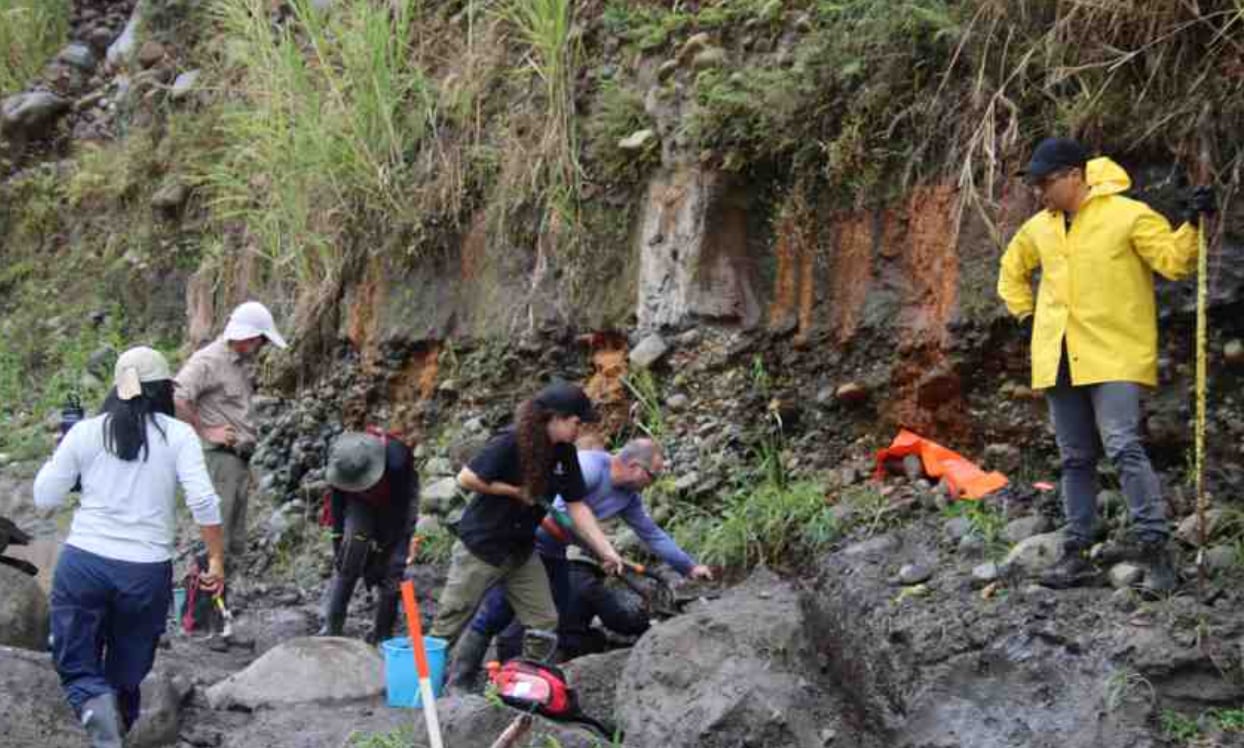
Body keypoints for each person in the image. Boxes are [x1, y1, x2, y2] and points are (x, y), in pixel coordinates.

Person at [997, 137, 1216, 593]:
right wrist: (1025, 315)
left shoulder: (1127, 214)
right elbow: (1010, 271)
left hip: (1113, 352)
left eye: (1045, 181)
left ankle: (1156, 552)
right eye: (1035, 183)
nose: (1039, 191)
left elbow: (1173, 261)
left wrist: (1193, 223)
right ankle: (1078, 551)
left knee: (1122, 446)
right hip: (1056, 355)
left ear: (1076, 176)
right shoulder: (1039, 228)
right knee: (1075, 457)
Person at [34, 347, 224, 747]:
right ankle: (115, 722)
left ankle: (95, 712)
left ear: (117, 387)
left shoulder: (86, 432)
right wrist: (216, 559)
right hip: (145, 572)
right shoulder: (178, 436)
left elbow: (44, 496)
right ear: (164, 390)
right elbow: (204, 501)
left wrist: (64, 453)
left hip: (83, 564)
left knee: (78, 664)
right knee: (128, 671)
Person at [430, 381, 622, 691]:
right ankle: (424, 692)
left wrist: (606, 550)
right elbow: (467, 478)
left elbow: (576, 506)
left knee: (544, 619)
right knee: (449, 623)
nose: (579, 429)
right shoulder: (511, 442)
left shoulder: (565, 454)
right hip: (482, 547)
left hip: (521, 551)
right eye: (576, 422)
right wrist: (515, 491)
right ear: (555, 418)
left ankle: (525, 683)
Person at [471, 439, 713, 661]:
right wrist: (600, 549)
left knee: (559, 614)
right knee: (500, 607)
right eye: (652, 477)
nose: (652, 484)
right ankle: (467, 675)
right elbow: (555, 516)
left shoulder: (628, 498)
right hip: (524, 543)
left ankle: (533, 670)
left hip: (555, 552)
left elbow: (652, 534)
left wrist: (689, 567)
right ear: (635, 467)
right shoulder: (589, 467)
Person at [174, 301, 287, 564]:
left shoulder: (238, 364)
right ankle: (203, 604)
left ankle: (221, 602)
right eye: (262, 341)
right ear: (249, 338)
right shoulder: (208, 361)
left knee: (234, 544)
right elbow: (176, 397)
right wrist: (206, 431)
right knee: (216, 542)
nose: (262, 348)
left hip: (235, 460)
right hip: (218, 460)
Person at [320, 429, 420, 644]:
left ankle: (382, 636)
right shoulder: (341, 460)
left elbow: (402, 511)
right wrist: (338, 543)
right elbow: (337, 507)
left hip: (395, 503)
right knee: (348, 558)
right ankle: (332, 627)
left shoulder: (397, 460)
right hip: (359, 503)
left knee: (392, 570)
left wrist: (385, 550)